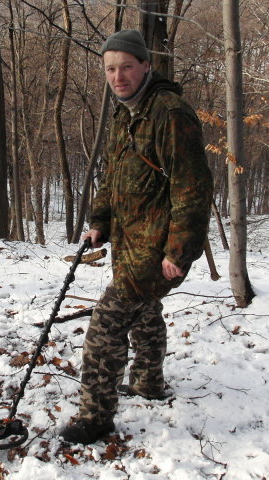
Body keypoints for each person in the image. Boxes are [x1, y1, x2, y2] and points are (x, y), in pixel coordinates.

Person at [60, 29, 214, 445]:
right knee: (144, 313)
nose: (118, 76)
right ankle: (147, 382)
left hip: (157, 246)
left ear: (146, 65)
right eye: (111, 69)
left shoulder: (169, 113)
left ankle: (96, 417)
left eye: (126, 66)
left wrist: (179, 252)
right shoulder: (125, 114)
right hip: (130, 242)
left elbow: (192, 188)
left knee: (107, 325)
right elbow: (113, 177)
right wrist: (99, 221)